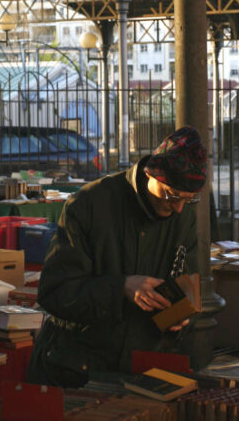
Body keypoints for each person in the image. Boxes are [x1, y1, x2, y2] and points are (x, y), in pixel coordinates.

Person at [26, 126, 207, 388]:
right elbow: (55, 292)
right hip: (75, 370)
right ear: (150, 174)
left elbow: (187, 282)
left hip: (139, 371)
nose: (178, 207)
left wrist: (181, 316)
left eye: (188, 200)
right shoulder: (89, 204)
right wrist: (121, 287)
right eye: (171, 195)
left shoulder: (183, 217)